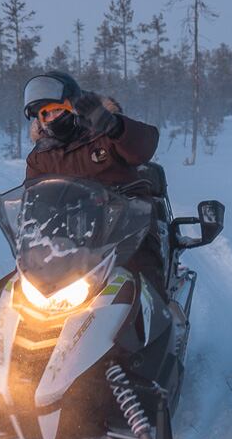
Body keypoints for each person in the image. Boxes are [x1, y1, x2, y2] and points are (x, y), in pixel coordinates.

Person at [22, 70, 166, 295]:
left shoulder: (102, 133)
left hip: (127, 224)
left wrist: (115, 126)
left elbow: (144, 148)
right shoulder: (41, 156)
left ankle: (156, 321)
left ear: (72, 105)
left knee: (141, 280)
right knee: (30, 285)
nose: (51, 119)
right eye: (45, 114)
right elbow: (34, 198)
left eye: (57, 110)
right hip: (70, 234)